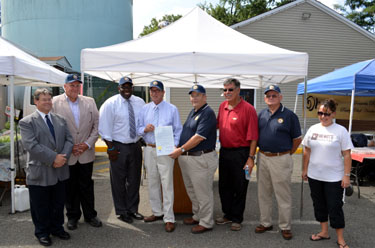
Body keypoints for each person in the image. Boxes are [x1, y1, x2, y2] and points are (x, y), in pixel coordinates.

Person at [20, 88, 73, 246]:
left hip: (60, 169)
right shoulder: (27, 122)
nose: (48, 102)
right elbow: (32, 145)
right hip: (40, 170)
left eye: (49, 99)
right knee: (40, 205)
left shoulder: (60, 119)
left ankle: (57, 228)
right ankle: (42, 232)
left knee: (58, 203)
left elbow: (69, 140)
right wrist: (53, 158)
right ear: (36, 101)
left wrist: (62, 157)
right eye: (44, 99)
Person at [302, 99, 353, 248]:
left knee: (335, 207)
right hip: (314, 176)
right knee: (319, 205)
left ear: (333, 114)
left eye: (327, 114)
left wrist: (347, 175)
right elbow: (307, 150)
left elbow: (347, 155)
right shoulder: (312, 129)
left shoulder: (341, 130)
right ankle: (324, 232)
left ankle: (340, 238)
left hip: (334, 177)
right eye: (320, 113)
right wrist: (305, 170)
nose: (323, 116)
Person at [52, 74, 101, 230]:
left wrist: (87, 144)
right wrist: (69, 147)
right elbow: (53, 129)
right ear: (64, 87)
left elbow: (97, 126)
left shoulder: (90, 101)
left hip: (86, 152)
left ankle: (90, 215)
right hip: (68, 153)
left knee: (86, 185)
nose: (74, 88)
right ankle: (72, 217)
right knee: (70, 186)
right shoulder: (54, 102)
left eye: (76, 85)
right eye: (71, 85)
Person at [169, 84, 218, 234]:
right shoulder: (194, 111)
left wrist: (181, 149)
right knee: (192, 190)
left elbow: (198, 138)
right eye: (192, 95)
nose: (194, 98)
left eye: (198, 95)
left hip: (201, 158)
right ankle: (197, 215)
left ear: (204, 97)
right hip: (188, 158)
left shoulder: (207, 113)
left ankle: (206, 221)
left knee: (203, 192)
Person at [256, 85, 302, 240]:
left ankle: (285, 226)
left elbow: (297, 139)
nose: (271, 98)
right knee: (263, 193)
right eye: (268, 95)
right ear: (265, 98)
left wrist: (286, 154)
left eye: (274, 95)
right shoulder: (261, 114)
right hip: (262, 157)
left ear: (280, 97)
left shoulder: (289, 116)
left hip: (280, 159)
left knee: (282, 194)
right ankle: (266, 222)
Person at [98, 77, 145, 224]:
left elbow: (142, 123)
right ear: (118, 88)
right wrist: (110, 148)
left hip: (135, 145)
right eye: (123, 87)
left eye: (129, 87)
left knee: (134, 179)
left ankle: (132, 209)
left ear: (132, 88)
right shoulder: (110, 104)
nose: (127, 90)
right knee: (118, 181)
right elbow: (104, 128)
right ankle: (122, 211)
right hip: (118, 146)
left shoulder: (140, 102)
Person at [138, 80, 182, 233]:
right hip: (150, 149)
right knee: (153, 182)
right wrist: (145, 129)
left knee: (167, 184)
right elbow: (137, 129)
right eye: (152, 90)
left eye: (157, 90)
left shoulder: (172, 109)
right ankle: (157, 212)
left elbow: (178, 130)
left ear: (163, 92)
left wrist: (175, 146)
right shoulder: (144, 109)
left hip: (165, 150)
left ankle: (169, 218)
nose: (154, 93)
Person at [216, 78, 258, 231]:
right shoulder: (222, 106)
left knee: (239, 186)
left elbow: (253, 136)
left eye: (230, 89)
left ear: (238, 90)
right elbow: (215, 125)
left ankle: (237, 218)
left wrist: (251, 158)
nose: (227, 92)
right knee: (224, 186)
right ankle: (227, 214)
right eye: (225, 90)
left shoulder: (248, 109)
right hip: (225, 152)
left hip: (241, 153)